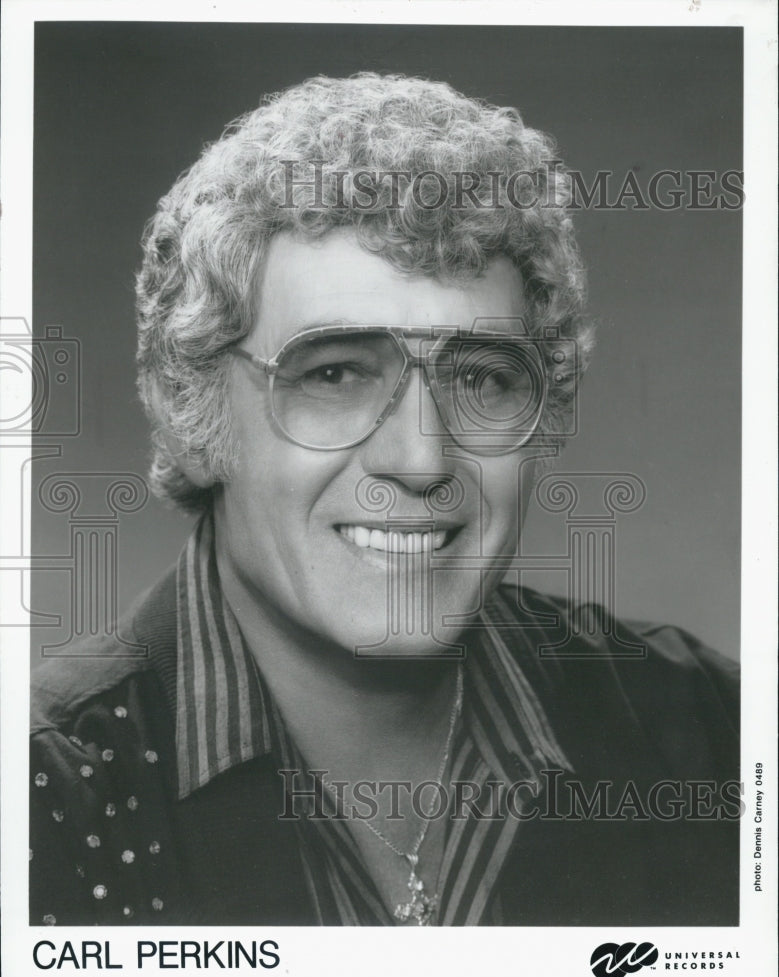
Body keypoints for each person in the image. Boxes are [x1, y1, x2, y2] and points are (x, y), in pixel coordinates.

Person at [30, 73, 739, 927]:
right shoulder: (44, 797)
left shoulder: (709, 733)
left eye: (480, 376)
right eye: (332, 373)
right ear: (192, 412)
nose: (420, 457)